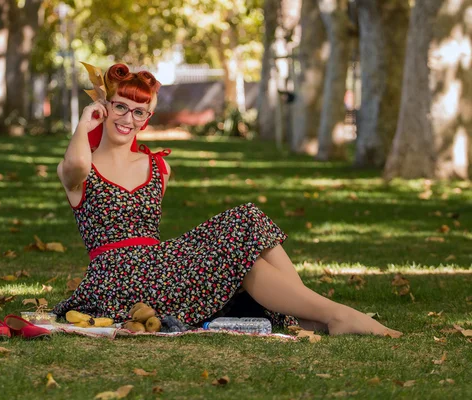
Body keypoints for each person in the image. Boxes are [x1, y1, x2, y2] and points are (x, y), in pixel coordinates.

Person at [53, 62, 402, 337]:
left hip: (160, 265)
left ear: (147, 119)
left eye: (139, 111)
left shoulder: (159, 167)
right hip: (117, 280)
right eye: (120, 107)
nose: (128, 118)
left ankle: (313, 312)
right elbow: (78, 162)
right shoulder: (79, 169)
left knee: (247, 218)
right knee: (240, 260)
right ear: (105, 106)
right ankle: (331, 314)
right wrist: (86, 123)